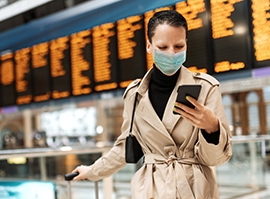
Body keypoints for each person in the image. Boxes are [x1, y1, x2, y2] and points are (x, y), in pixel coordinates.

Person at [72, 10, 232, 199]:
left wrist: (212, 128)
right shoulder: (135, 94)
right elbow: (125, 147)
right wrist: (92, 171)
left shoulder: (206, 87)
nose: (171, 53)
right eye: (163, 47)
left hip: (195, 190)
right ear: (149, 46)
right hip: (151, 189)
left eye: (179, 46)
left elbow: (215, 159)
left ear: (186, 45)